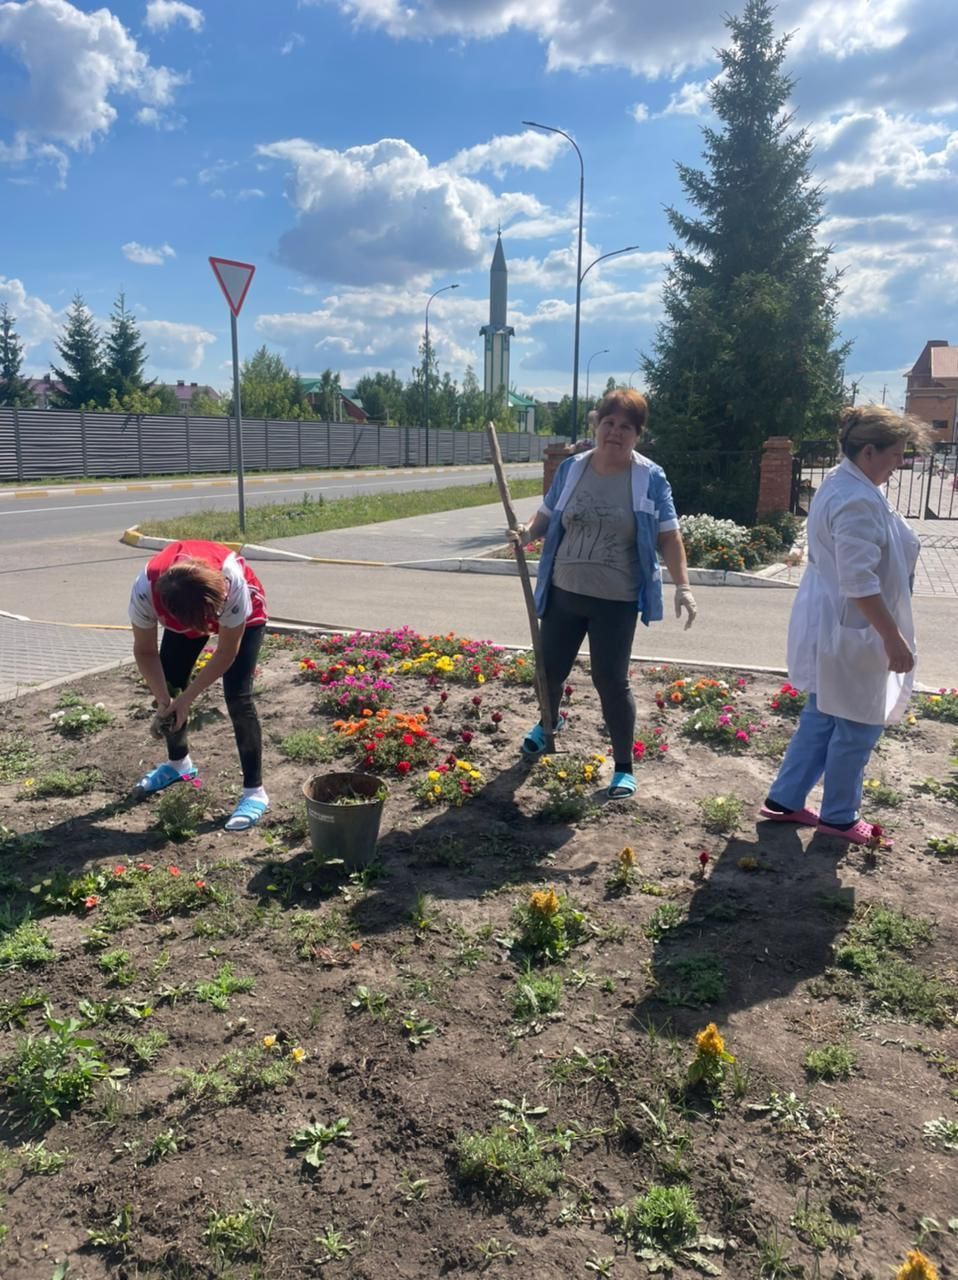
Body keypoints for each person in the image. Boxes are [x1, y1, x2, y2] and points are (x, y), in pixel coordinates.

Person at [509, 388, 697, 799]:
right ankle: (548, 724)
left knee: (610, 681)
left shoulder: (650, 477)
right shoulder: (573, 469)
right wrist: (525, 533)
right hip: (563, 593)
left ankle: (624, 767)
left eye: (625, 427)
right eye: (608, 423)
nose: (615, 432)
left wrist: (683, 585)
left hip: (616, 601)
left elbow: (669, 536)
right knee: (548, 672)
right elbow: (546, 515)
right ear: (597, 425)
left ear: (638, 434)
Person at [761, 405, 929, 843]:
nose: (899, 465)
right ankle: (838, 815)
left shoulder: (843, 483)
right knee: (857, 722)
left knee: (823, 714)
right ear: (869, 450)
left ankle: (786, 799)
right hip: (856, 628)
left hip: (838, 623)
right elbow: (859, 581)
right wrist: (893, 639)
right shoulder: (854, 497)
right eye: (896, 455)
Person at [128, 539, 270, 831]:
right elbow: (144, 651)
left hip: (244, 616)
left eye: (206, 624)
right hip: (186, 604)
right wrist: (166, 700)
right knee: (169, 682)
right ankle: (179, 765)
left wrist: (187, 699)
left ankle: (254, 791)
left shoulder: (233, 582)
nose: (203, 632)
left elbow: (226, 651)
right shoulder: (145, 590)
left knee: (238, 696)